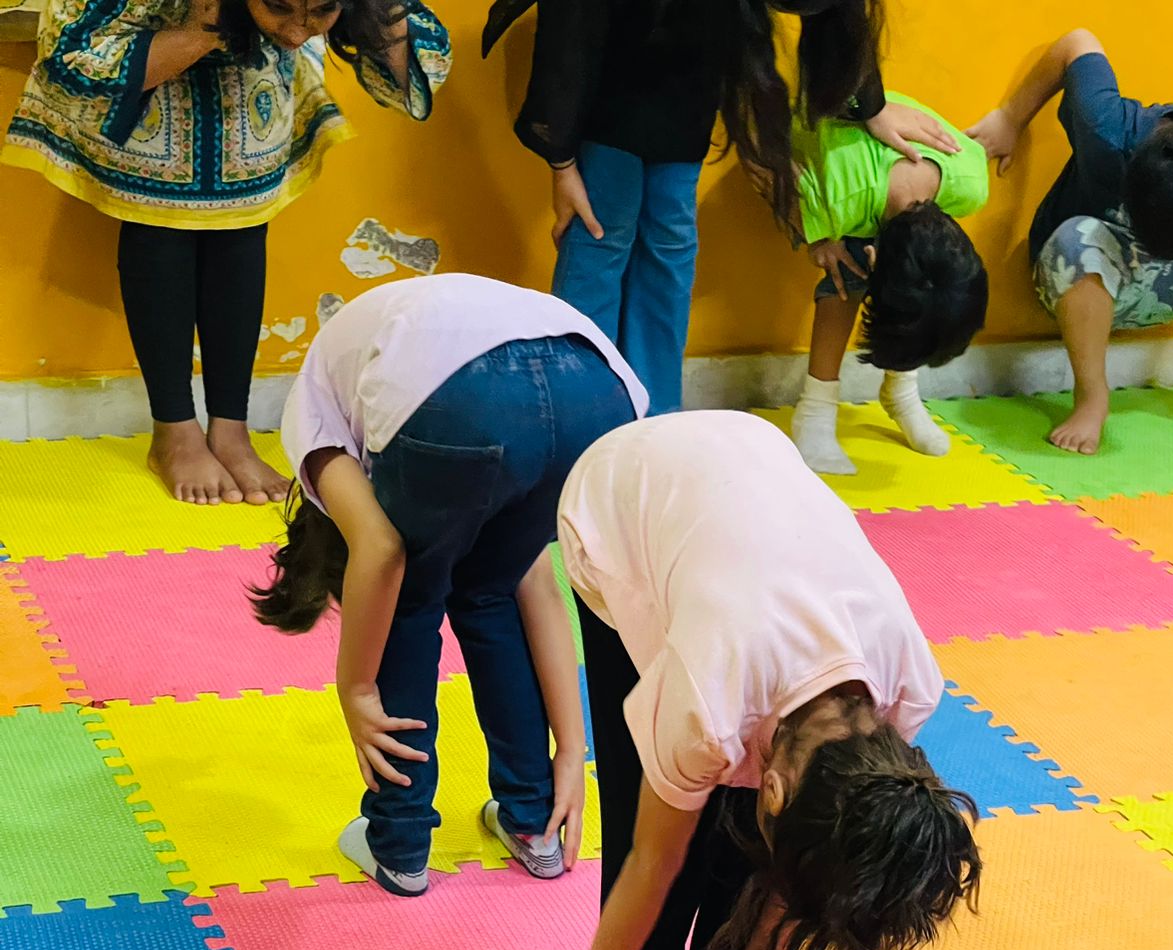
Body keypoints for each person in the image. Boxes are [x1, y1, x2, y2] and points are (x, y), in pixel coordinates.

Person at [560, 409, 980, 950]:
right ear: (777, 784)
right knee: (663, 800)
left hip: (749, 476)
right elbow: (652, 859)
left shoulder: (905, 686)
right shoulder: (710, 697)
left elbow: (820, 858)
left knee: (790, 833)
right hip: (619, 496)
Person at [253, 273, 647, 897]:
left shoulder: (311, 416)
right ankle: (536, 826)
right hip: (601, 393)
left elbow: (380, 553)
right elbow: (541, 591)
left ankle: (400, 846)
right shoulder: (379, 352)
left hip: (462, 395)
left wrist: (355, 688)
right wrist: (572, 751)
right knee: (491, 589)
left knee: (407, 601)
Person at [2, 0, 450, 505]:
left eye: (320, 12)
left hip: (253, 115)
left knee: (242, 233)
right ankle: (174, 431)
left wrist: (377, 14)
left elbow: (409, 41)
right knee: (160, 231)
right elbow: (72, 53)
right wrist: (209, 25)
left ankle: (231, 431)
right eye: (279, 7)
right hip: (158, 119)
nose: (297, 32)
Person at [482, 0, 960, 416]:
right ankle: (580, 413)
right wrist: (563, 163)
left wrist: (872, 107)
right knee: (601, 236)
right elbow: (570, 38)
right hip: (606, 77)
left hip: (688, 84)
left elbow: (835, 22)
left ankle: (656, 411)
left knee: (670, 249)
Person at [968, 29, 1173, 456]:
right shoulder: (1109, 131)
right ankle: (1092, 398)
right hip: (1085, 280)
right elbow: (1077, 41)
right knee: (1078, 240)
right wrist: (1010, 118)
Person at [791, 93, 989, 475]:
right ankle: (815, 408)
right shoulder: (837, 199)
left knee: (928, 295)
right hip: (823, 140)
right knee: (846, 274)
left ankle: (901, 392)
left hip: (876, 161)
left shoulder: (970, 184)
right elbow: (762, 163)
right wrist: (817, 236)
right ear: (874, 255)